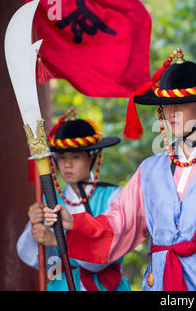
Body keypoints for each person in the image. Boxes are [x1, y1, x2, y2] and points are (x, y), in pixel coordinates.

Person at [44, 49, 196, 291]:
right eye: (166, 105)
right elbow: (120, 223)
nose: (172, 113)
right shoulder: (149, 170)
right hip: (160, 283)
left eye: (181, 104)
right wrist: (76, 223)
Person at [17, 108, 131, 291]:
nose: (67, 164)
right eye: (61, 158)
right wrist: (34, 227)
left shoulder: (114, 196)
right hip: (61, 285)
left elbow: (103, 256)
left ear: (92, 157)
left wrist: (56, 240)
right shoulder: (50, 200)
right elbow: (31, 256)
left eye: (75, 157)